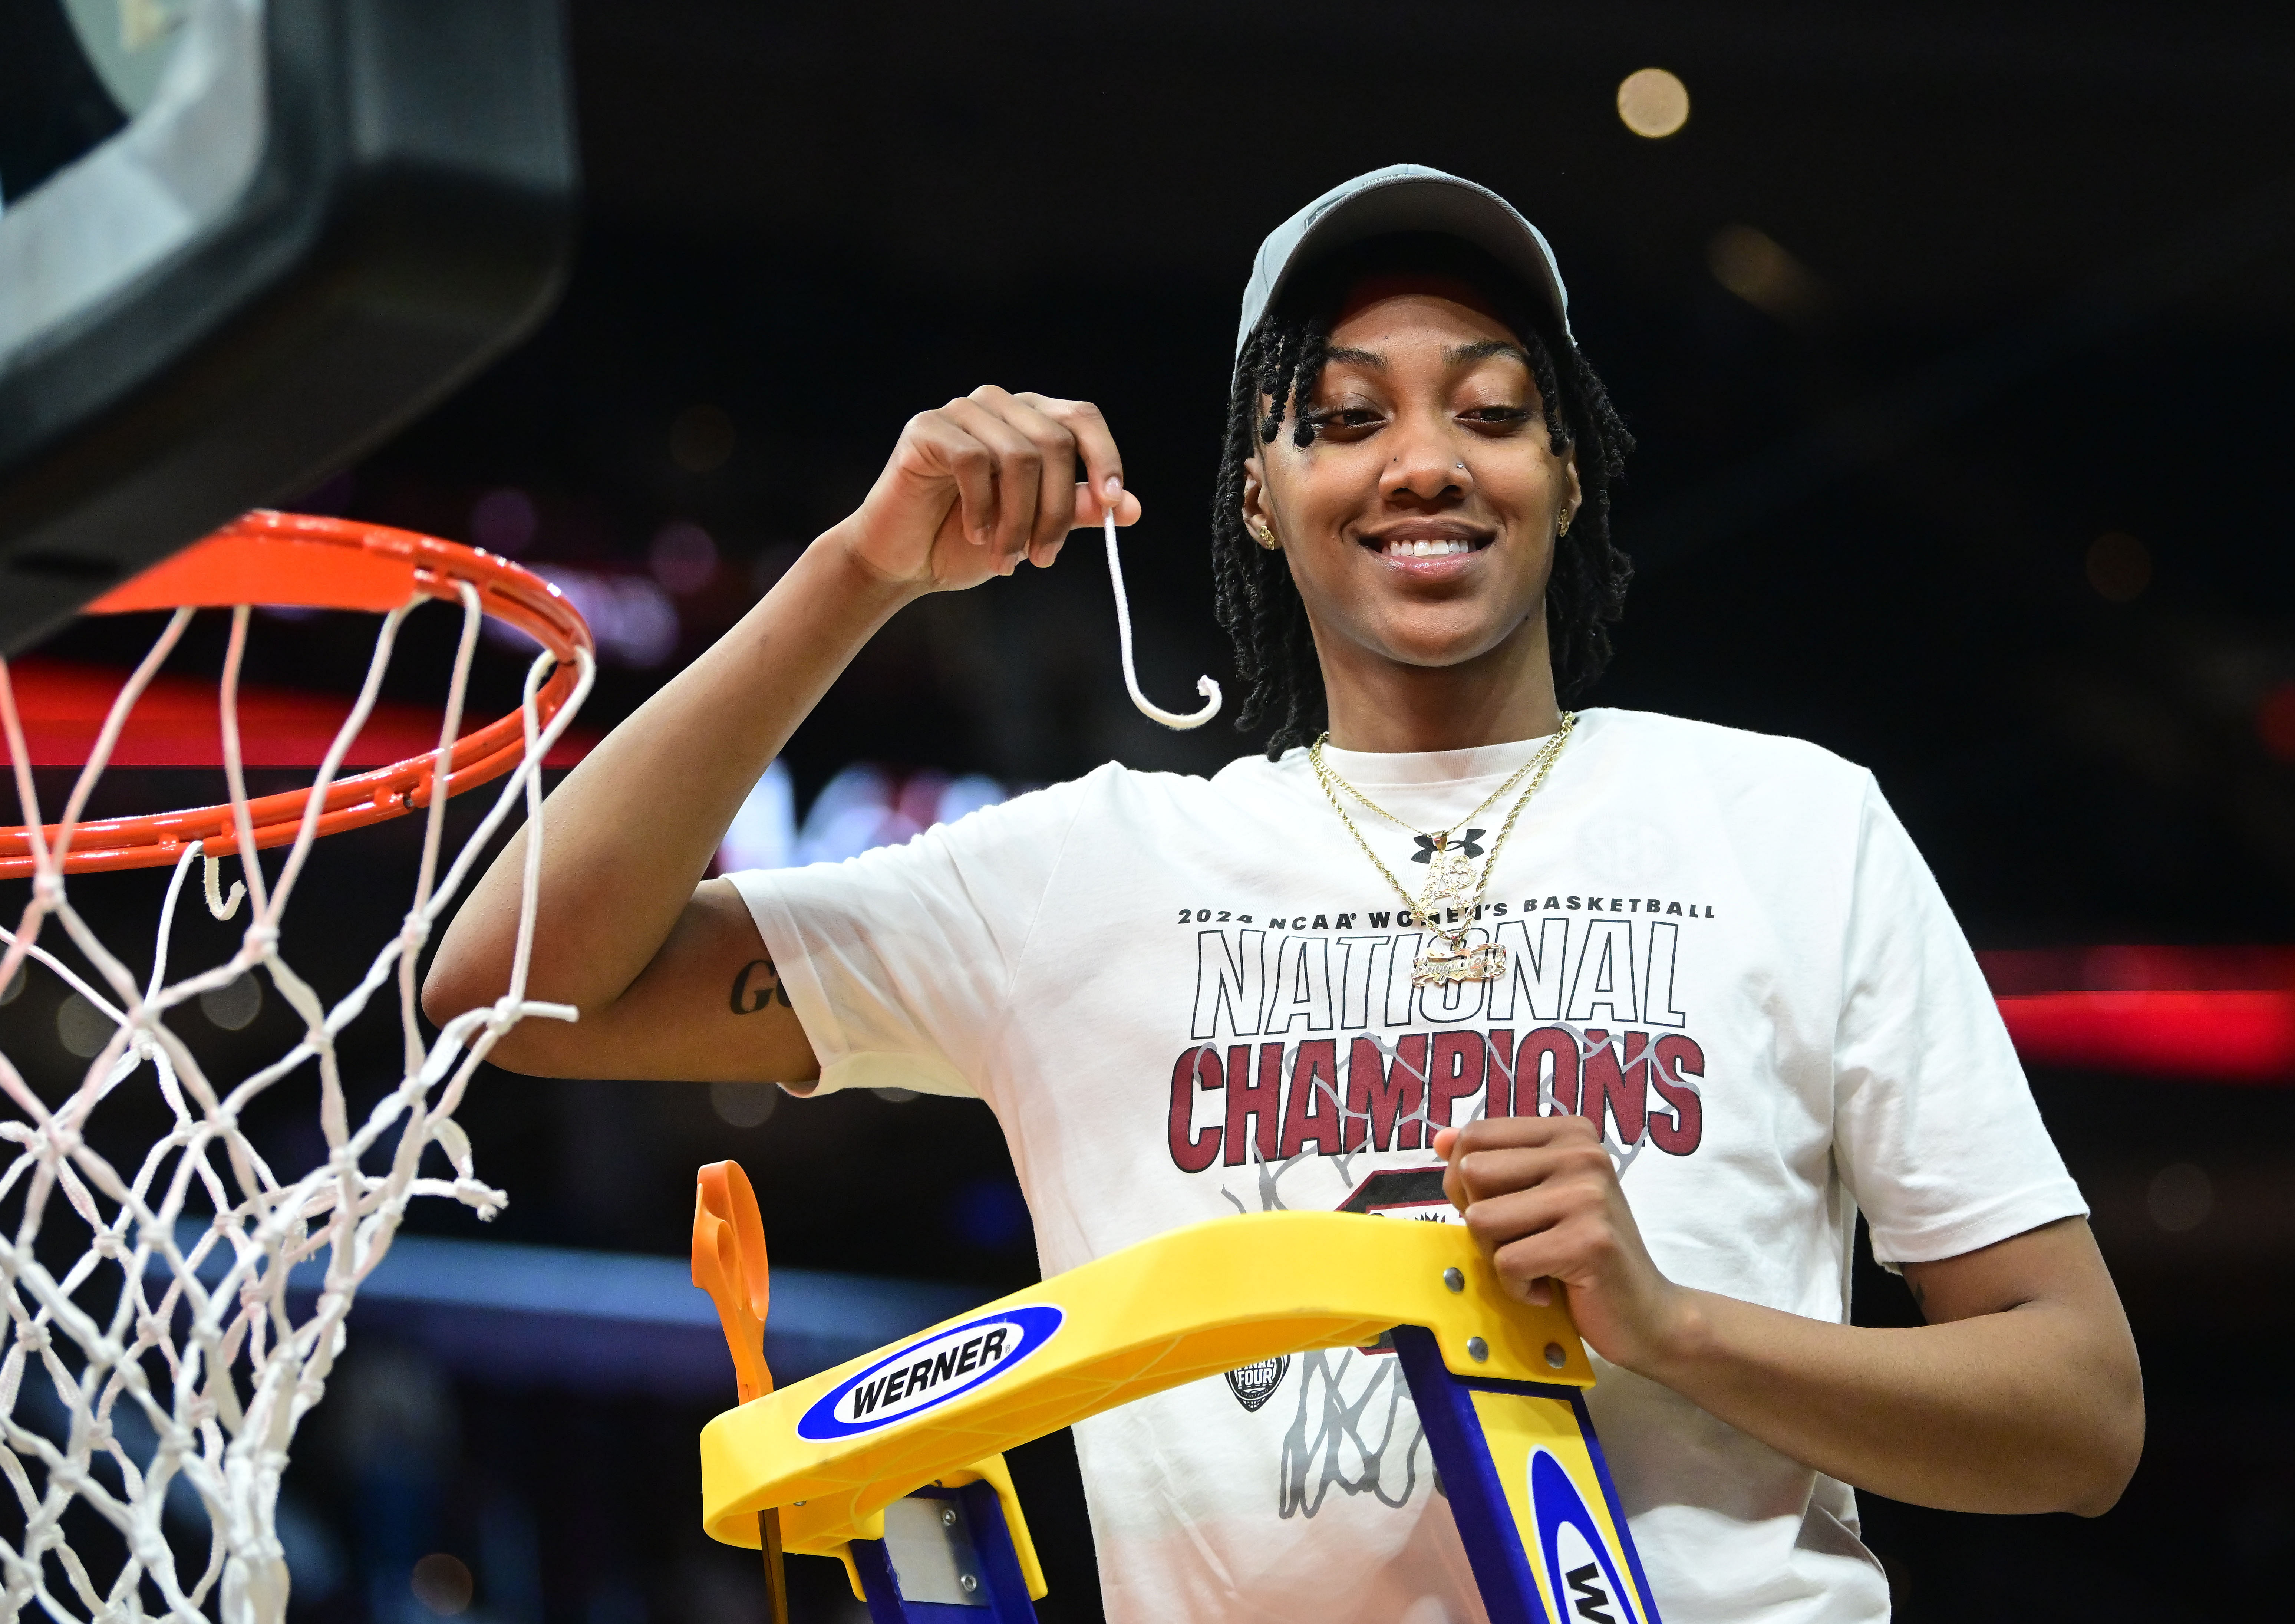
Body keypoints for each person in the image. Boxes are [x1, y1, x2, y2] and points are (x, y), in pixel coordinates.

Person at [426, 165, 2142, 1624]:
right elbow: (510, 987)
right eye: (1340, 418)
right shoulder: (1088, 874)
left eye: (1490, 410)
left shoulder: (1788, 822)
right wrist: (854, 574)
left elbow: (2076, 1414)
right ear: (1256, 493)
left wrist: (1674, 1325)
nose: (1422, 462)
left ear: (1564, 476)